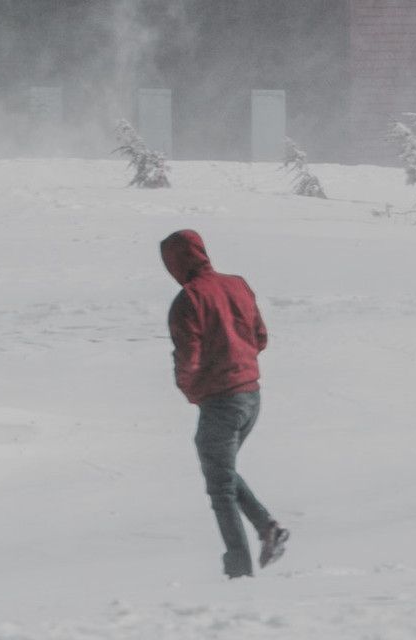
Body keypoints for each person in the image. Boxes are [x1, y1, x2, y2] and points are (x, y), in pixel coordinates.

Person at [161, 229, 289, 579]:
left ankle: (240, 572)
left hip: (220, 402)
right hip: (251, 397)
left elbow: (189, 357)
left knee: (220, 485)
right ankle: (267, 529)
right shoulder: (237, 285)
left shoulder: (189, 299)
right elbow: (260, 336)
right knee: (223, 472)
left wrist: (192, 390)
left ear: (175, 262)